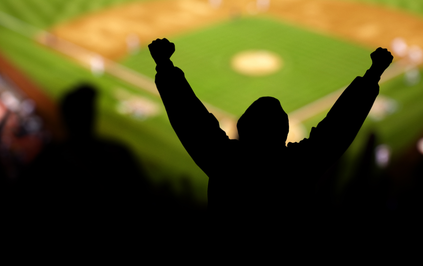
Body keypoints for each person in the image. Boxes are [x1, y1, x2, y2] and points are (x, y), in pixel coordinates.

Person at [149, 37, 393, 221]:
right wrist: (372, 75)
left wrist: (165, 66)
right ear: (284, 133)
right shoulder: (299, 166)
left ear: (241, 131)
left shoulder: (224, 162)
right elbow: (338, 127)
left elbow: (190, 120)